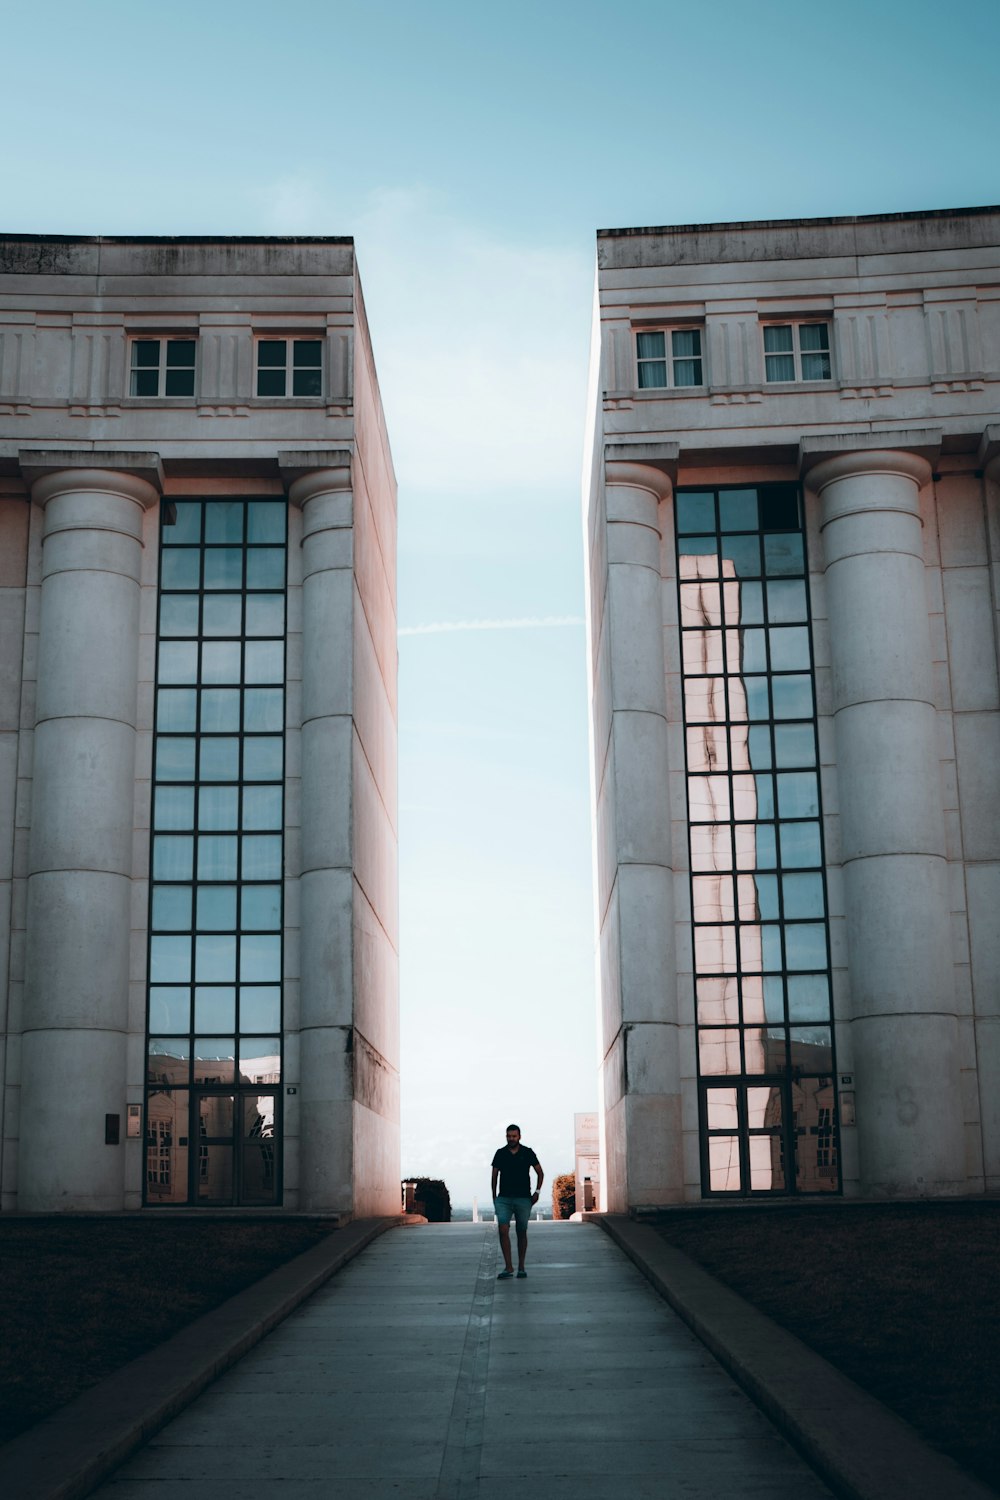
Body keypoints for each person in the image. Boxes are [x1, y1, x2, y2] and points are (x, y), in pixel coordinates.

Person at [491, 1124, 544, 1280]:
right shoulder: (500, 1153)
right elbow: (494, 1176)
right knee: (502, 1229)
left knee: (521, 1231)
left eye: (514, 1136)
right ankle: (508, 1267)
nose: (511, 1139)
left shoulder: (527, 1152)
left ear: (519, 1136)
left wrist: (537, 1192)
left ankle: (521, 1266)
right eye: (508, 1136)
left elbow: (540, 1172)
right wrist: (494, 1197)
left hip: (523, 1198)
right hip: (504, 1198)